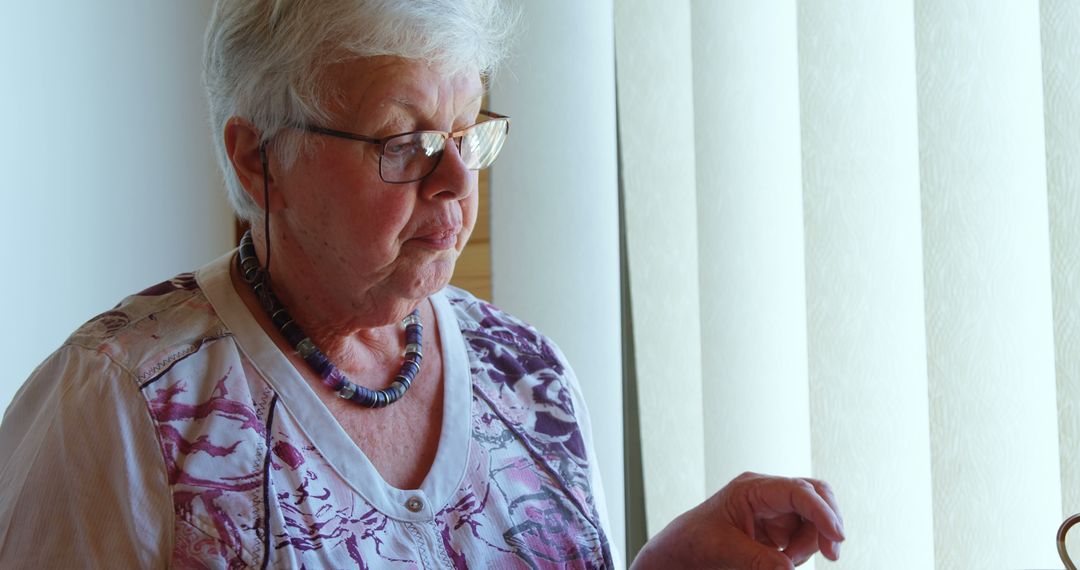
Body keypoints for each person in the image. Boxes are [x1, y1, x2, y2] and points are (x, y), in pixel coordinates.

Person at [0, 1, 844, 568]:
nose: (455, 185)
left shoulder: (525, 373)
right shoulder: (123, 402)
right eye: (402, 142)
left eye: (465, 130)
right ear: (259, 157)